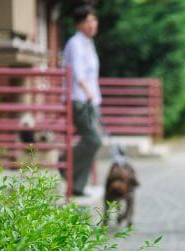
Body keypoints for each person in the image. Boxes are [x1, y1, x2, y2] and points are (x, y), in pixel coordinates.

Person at [63, 5, 102, 196]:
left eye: (93, 20)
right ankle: (65, 162)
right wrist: (87, 92)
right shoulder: (75, 43)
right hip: (79, 99)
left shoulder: (88, 42)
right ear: (79, 24)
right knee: (93, 140)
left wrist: (94, 96)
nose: (92, 24)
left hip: (92, 100)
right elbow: (77, 72)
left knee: (93, 141)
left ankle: (78, 186)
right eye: (87, 21)